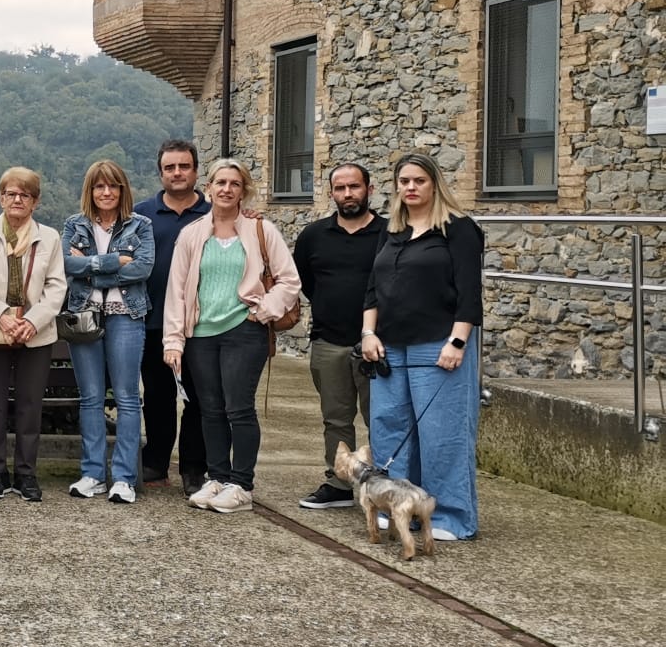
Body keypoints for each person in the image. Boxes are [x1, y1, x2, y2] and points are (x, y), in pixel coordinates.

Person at [163, 159, 300, 515]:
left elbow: (289, 280)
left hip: (244, 330)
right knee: (209, 410)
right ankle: (218, 478)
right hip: (201, 334)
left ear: (244, 190)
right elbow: (176, 291)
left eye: (234, 184)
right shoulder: (192, 233)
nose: (226, 189)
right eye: (220, 182)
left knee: (238, 408)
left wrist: (264, 311)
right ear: (208, 188)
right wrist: (174, 341)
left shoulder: (260, 230)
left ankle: (242, 484)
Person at [360, 153, 484, 542]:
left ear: (434, 184)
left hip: (439, 342)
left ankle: (448, 515)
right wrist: (368, 333)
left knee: (441, 433)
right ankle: (399, 507)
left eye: (419, 181)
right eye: (403, 181)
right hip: (389, 345)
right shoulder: (392, 230)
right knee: (389, 428)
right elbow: (372, 288)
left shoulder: (458, 229)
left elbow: (470, 292)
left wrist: (458, 340)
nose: (410, 188)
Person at [291, 163, 386, 509]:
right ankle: (340, 482)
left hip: (377, 345)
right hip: (329, 341)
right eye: (340, 188)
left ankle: (384, 482)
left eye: (354, 187)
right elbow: (306, 283)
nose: (348, 194)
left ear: (369, 189)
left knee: (381, 417)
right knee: (335, 418)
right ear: (331, 193)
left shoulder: (390, 234)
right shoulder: (313, 236)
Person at [61, 159, 155, 505]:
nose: (106, 192)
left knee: (128, 398)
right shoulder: (75, 224)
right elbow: (65, 266)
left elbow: (144, 268)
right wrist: (115, 262)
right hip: (85, 316)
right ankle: (93, 474)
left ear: (122, 190)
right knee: (91, 398)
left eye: (112, 186)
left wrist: (90, 268)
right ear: (90, 190)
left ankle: (124, 478)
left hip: (126, 315)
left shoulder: (140, 226)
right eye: (99, 186)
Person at [0, 167, 67, 502]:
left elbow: (56, 287)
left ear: (35, 202)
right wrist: (2, 317)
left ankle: (26, 473)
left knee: (30, 406)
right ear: (1, 197)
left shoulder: (50, 238)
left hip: (36, 334)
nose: (17, 199)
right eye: (11, 193)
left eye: (25, 194)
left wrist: (32, 322)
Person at [134, 140, 211, 494]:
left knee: (198, 398)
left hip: (201, 323)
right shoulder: (140, 215)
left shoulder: (215, 214)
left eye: (184, 166)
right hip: (152, 321)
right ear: (160, 172)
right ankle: (156, 462)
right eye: (170, 167)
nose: (177, 173)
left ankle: (194, 468)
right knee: (158, 397)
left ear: (196, 171)